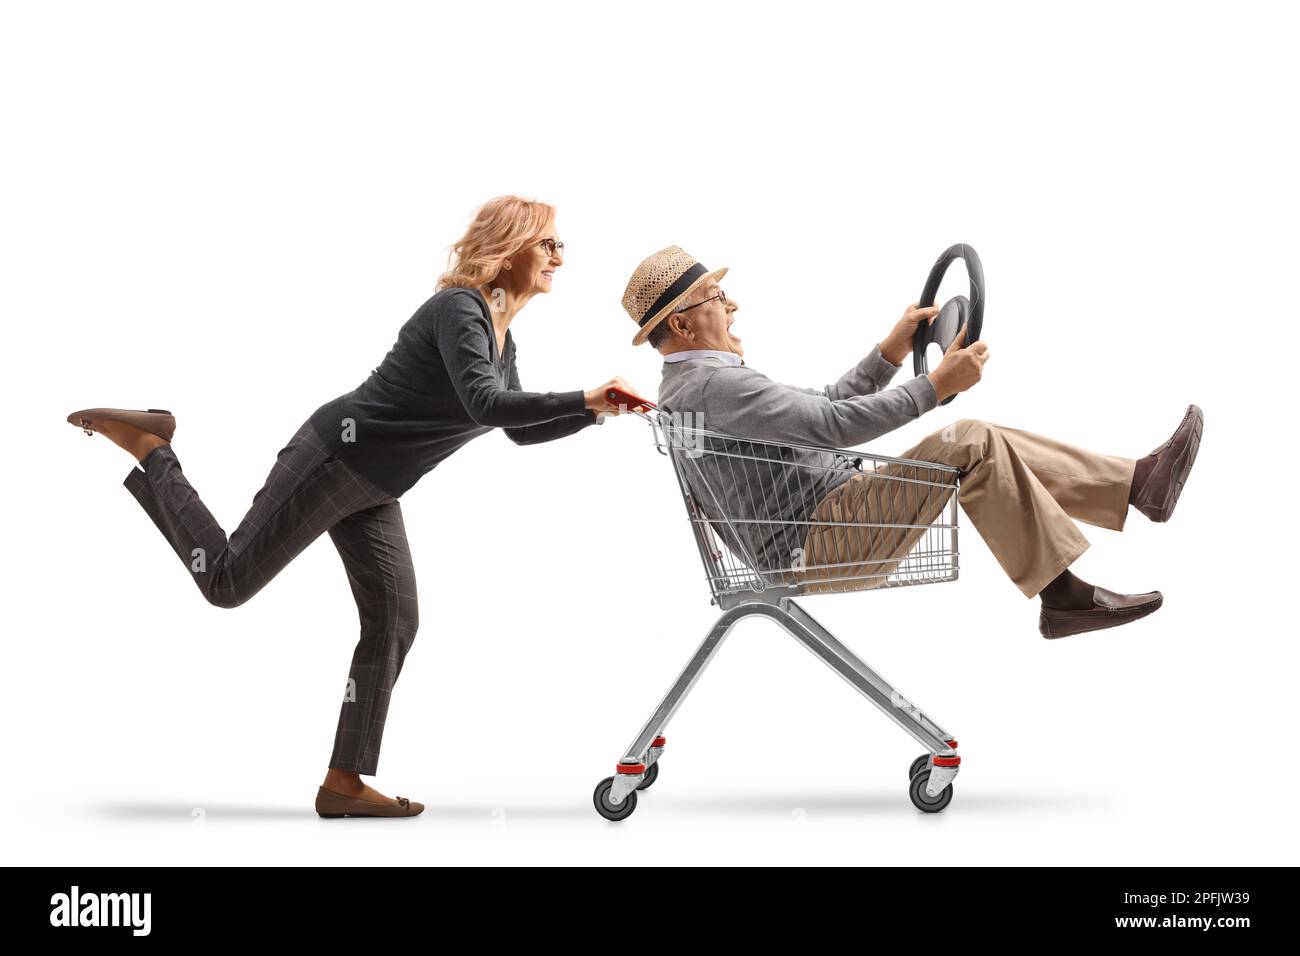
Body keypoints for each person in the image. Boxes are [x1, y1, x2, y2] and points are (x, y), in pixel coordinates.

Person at [67, 196, 636, 817]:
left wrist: (595, 410)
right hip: (337, 458)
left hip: (377, 485)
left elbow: (518, 428)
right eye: (548, 242)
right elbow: (484, 405)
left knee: (394, 621)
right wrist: (586, 395)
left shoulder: (502, 338)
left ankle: (343, 781)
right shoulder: (460, 310)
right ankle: (153, 447)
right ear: (507, 248)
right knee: (226, 581)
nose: (560, 254)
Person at [621, 245, 1202, 639]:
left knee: (980, 445)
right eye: (716, 298)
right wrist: (935, 384)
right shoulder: (713, 385)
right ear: (681, 324)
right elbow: (834, 427)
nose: (732, 303)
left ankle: (1128, 500)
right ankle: (1078, 572)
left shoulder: (701, 383)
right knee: (969, 439)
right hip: (821, 540)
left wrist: (891, 353)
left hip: (834, 519)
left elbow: (824, 404)